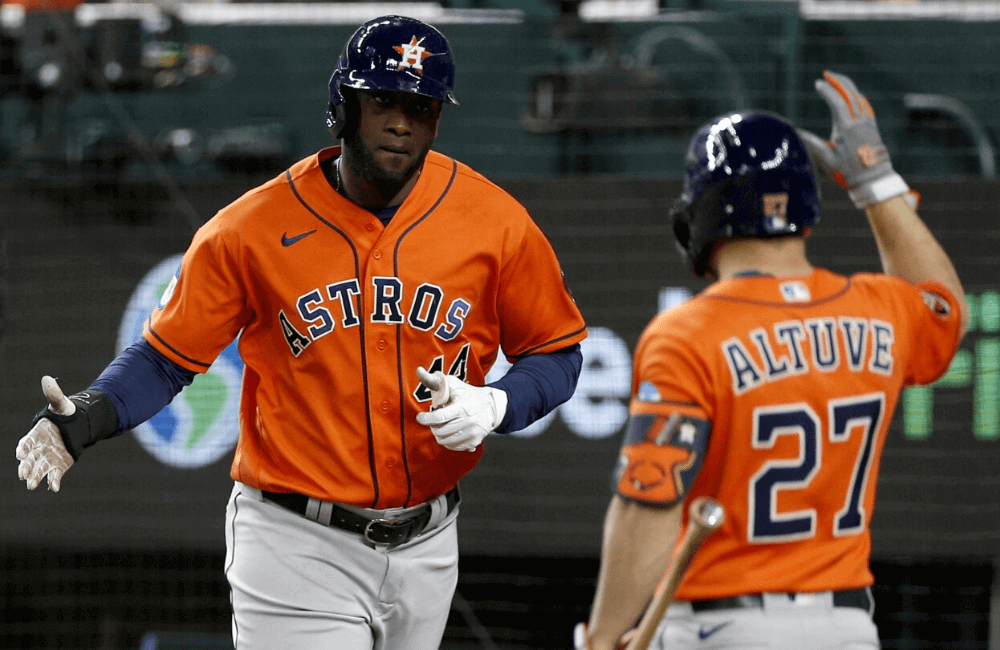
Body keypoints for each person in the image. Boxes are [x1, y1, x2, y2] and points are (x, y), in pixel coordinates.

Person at [15, 15, 588, 650]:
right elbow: (166, 358)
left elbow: (556, 352)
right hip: (295, 541)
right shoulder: (249, 229)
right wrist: (85, 417)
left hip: (430, 542)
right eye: (383, 102)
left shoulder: (494, 220)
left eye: (421, 107)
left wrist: (498, 401)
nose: (402, 122)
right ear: (343, 107)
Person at [574, 71, 968, 650]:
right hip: (848, 628)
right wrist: (876, 184)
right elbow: (947, 308)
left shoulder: (689, 331)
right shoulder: (881, 309)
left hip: (721, 625)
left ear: (704, 211)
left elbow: (650, 502)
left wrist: (604, 636)